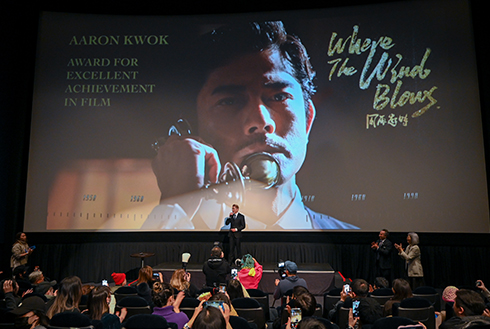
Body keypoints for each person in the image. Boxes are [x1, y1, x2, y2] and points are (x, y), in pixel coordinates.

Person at [141, 21, 359, 231]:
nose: (261, 122)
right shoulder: (177, 224)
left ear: (308, 118)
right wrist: (175, 207)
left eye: (279, 96)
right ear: (191, 131)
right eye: (229, 101)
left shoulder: (353, 248)